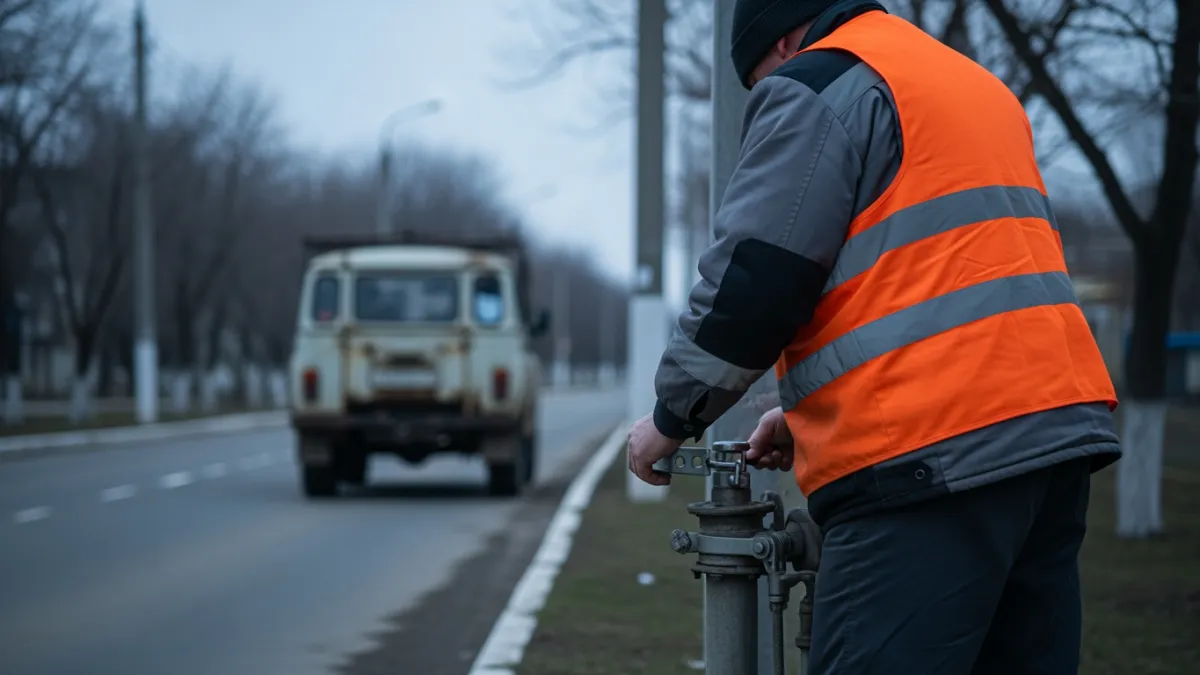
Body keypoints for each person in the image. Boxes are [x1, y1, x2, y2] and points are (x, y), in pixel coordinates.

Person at [625, 0, 1122, 673]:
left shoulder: (819, 83)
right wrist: (807, 410)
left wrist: (670, 415)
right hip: (1052, 442)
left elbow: (758, 278)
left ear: (778, 47)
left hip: (931, 466)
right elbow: (942, 279)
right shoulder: (972, 86)